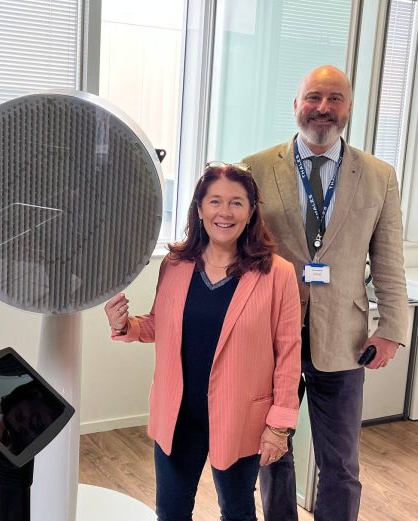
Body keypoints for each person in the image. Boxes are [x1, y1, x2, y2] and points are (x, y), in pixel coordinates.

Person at [243, 65, 408, 521]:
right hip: (271, 334)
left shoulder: (379, 176)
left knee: (341, 464)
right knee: (272, 452)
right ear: (296, 105)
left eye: (334, 98)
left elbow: (389, 261)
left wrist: (391, 329)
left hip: (344, 338)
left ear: (348, 107)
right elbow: (238, 253)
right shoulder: (255, 169)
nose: (323, 108)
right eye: (314, 97)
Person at [104, 164, 302, 521]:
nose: (225, 212)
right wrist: (125, 325)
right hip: (179, 415)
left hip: (241, 417)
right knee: (171, 512)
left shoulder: (277, 274)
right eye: (215, 201)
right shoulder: (175, 264)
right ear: (199, 208)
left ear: (251, 211)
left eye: (236, 202)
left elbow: (289, 355)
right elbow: (160, 325)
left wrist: (279, 426)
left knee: (237, 512)